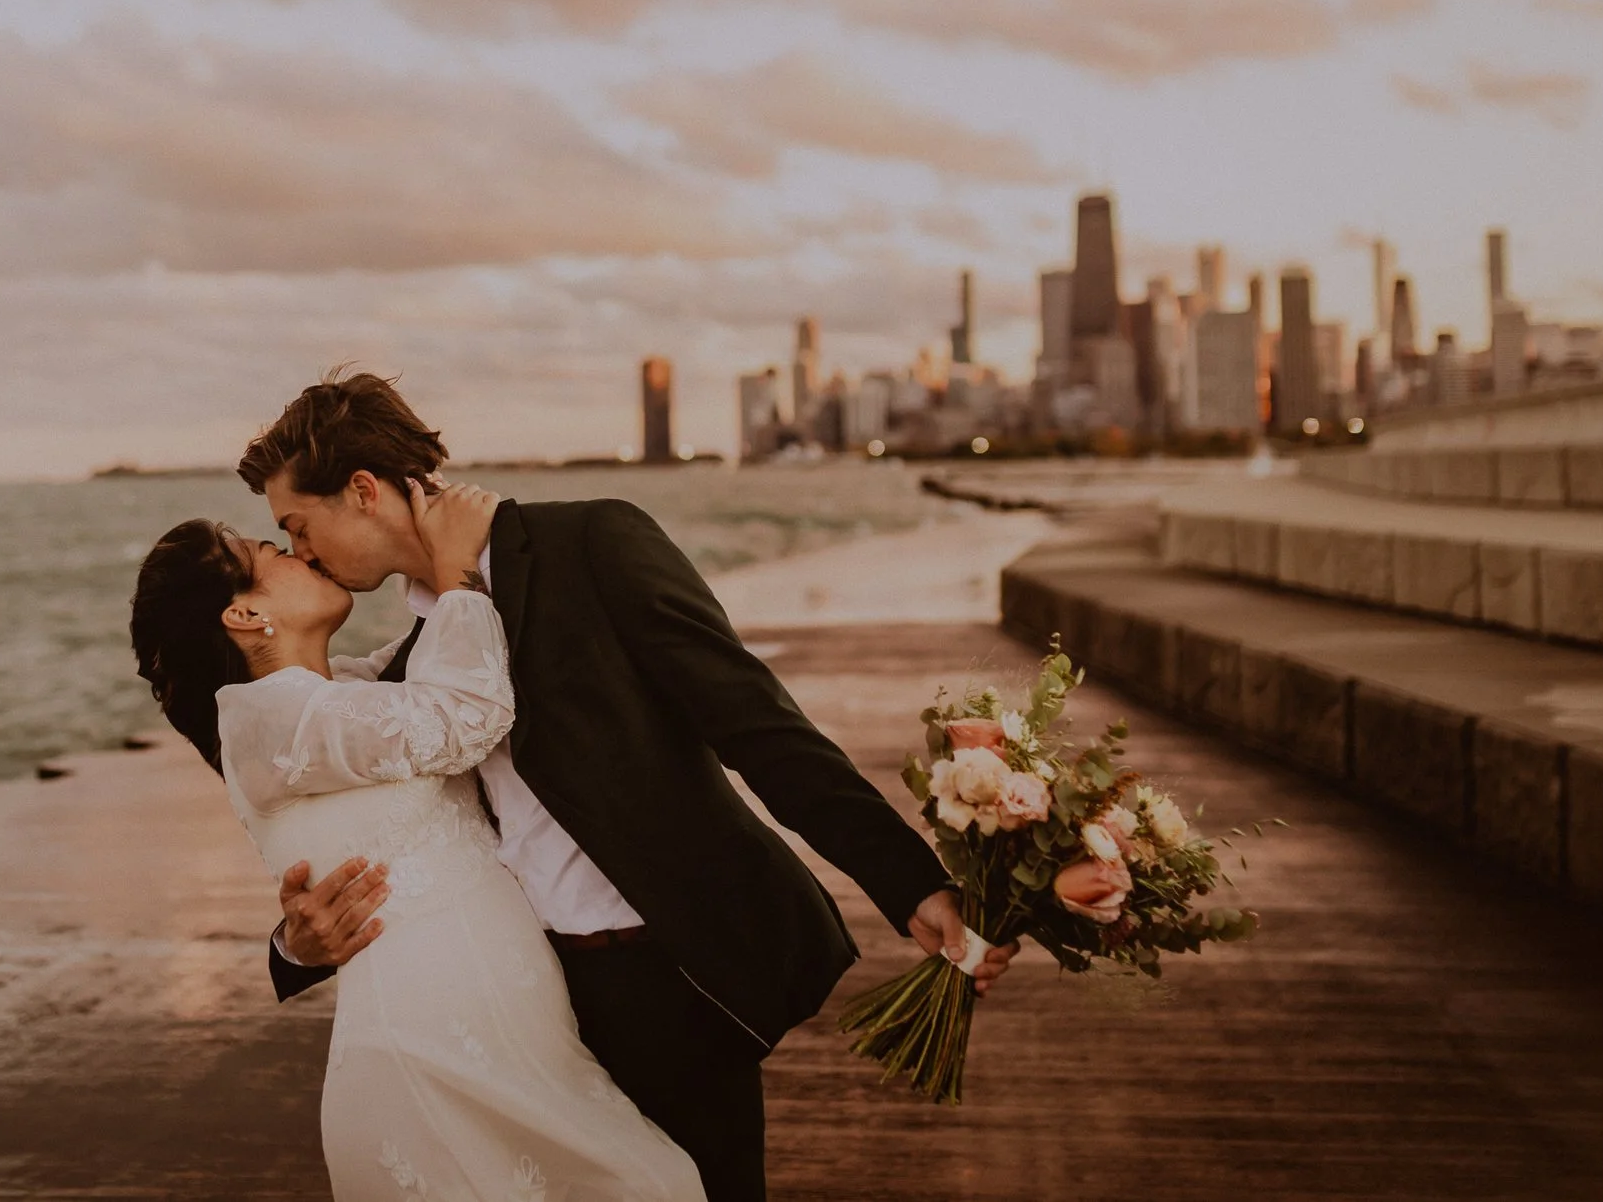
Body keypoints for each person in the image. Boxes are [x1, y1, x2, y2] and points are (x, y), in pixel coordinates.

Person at [244, 374, 1015, 1202]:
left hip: (676, 979)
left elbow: (759, 727)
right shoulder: (423, 654)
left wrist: (910, 881)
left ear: (361, 490)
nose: (303, 551)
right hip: (542, 1008)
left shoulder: (594, 543)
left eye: (299, 524)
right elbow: (376, 828)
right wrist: (293, 948)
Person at [131, 480, 705, 1201]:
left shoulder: (332, 694)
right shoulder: (270, 720)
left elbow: (428, 663)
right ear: (245, 613)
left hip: (509, 1038)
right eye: (272, 548)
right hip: (433, 1053)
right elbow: (466, 709)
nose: (297, 553)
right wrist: (455, 567)